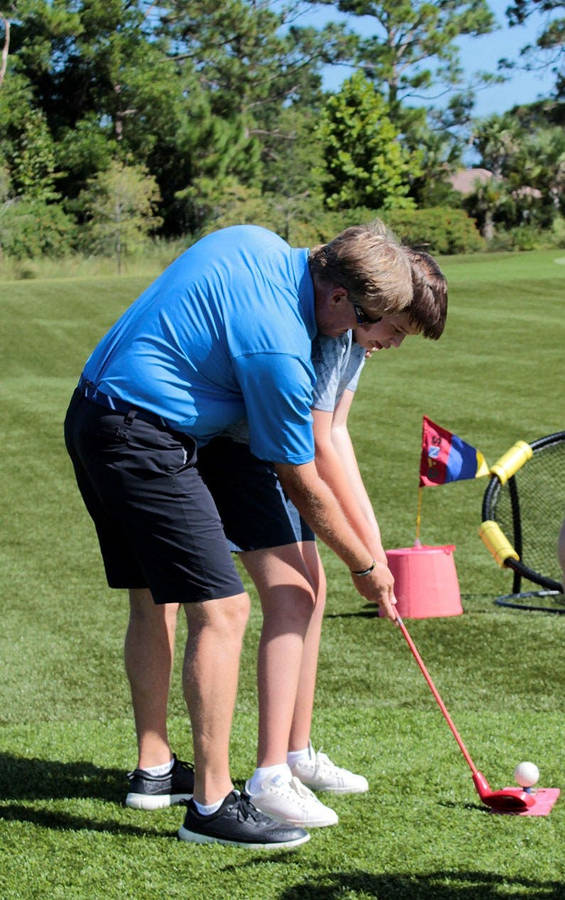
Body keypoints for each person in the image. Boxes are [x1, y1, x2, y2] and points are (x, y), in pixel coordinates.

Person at [64, 222, 413, 849]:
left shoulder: (252, 239)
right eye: (363, 322)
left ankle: (155, 772)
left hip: (92, 414)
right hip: (146, 438)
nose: (351, 342)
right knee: (225, 610)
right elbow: (299, 477)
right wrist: (367, 563)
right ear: (337, 297)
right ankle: (213, 805)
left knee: (150, 596)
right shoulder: (280, 347)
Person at [196, 248, 448, 828]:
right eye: (394, 328)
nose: (391, 343)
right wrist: (365, 555)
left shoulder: (355, 342)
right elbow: (317, 444)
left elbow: (338, 430)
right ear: (370, 304)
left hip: (282, 458)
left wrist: (370, 538)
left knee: (314, 591)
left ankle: (295, 752)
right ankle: (270, 775)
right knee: (294, 595)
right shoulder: (334, 335)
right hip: (249, 454)